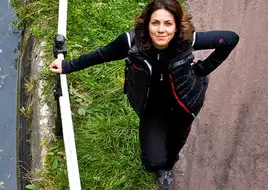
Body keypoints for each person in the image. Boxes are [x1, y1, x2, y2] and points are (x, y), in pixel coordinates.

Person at [49, 0, 239, 189]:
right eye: (155, 23)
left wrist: (202, 70)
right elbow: (101, 55)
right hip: (151, 107)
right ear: (147, 23)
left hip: (184, 102)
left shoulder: (186, 40)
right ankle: (159, 164)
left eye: (168, 23)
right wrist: (67, 66)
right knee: (151, 162)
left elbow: (230, 39)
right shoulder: (132, 42)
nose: (161, 30)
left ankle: (167, 168)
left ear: (177, 26)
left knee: (176, 142)